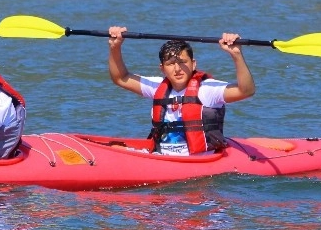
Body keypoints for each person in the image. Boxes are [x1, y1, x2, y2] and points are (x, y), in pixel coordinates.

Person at [106, 26, 256, 156]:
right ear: (162, 68)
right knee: (114, 148)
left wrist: (236, 55)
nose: (177, 69)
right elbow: (121, 78)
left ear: (193, 64)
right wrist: (115, 47)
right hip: (161, 156)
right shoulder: (157, 86)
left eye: (183, 62)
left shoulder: (207, 90)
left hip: (198, 160)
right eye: (171, 64)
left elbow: (246, 91)